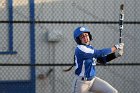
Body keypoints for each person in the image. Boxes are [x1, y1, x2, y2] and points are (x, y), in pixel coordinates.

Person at [71, 26, 124, 93]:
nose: (85, 37)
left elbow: (102, 60)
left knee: (113, 92)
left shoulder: (90, 48)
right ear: (78, 40)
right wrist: (115, 47)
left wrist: (115, 55)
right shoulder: (80, 49)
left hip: (93, 81)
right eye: (82, 36)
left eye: (86, 35)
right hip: (81, 83)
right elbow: (99, 53)